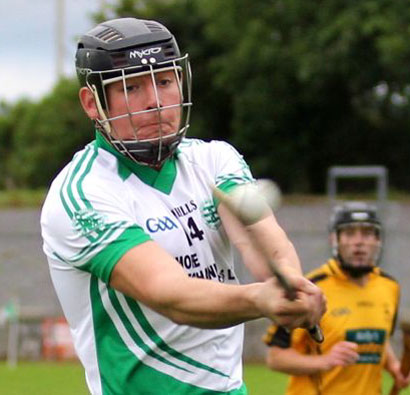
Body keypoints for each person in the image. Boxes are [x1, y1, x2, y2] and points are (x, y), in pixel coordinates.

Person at [40, 17, 325, 395]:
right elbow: (169, 294)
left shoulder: (215, 160)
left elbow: (260, 241)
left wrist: (288, 283)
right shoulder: (82, 196)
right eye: (132, 87)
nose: (155, 102)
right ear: (93, 103)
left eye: (165, 81)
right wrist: (260, 298)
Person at [264, 201, 410, 395]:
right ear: (335, 240)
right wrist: (324, 361)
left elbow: (380, 339)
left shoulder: (390, 286)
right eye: (350, 233)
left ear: (378, 240)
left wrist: (393, 366)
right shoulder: (309, 288)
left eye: (367, 233)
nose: (359, 242)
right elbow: (275, 358)